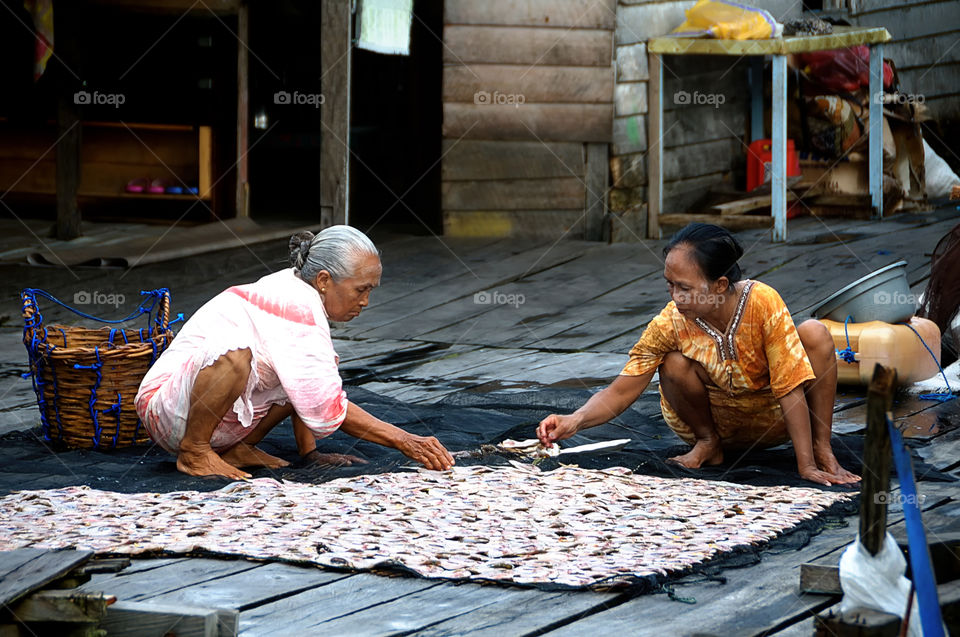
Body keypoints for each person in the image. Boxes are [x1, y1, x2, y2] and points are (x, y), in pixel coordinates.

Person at [536, 223, 859, 486]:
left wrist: (805, 465)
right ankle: (708, 444)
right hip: (711, 423)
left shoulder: (762, 303)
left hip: (774, 422)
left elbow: (789, 385)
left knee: (815, 332)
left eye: (685, 288)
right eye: (670, 285)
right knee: (674, 361)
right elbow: (622, 389)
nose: (675, 297)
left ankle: (821, 448)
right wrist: (574, 420)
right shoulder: (670, 322)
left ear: (719, 285)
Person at [135, 225, 455, 479]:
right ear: (325, 280)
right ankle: (194, 451)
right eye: (361, 290)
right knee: (235, 354)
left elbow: (308, 383)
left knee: (306, 369)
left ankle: (239, 447)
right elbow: (327, 406)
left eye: (370, 290)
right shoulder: (294, 303)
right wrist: (404, 440)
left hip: (210, 417)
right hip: (167, 410)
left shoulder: (299, 290)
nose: (365, 302)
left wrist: (310, 454)